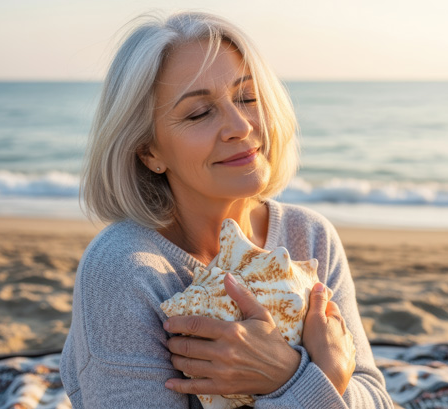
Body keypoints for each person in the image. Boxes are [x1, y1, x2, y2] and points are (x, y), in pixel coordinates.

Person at [59, 10, 393, 408]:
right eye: (199, 113)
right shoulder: (124, 269)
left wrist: (285, 373)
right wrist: (318, 377)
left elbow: (376, 399)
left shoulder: (310, 237)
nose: (240, 125)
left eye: (248, 97)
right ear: (149, 151)